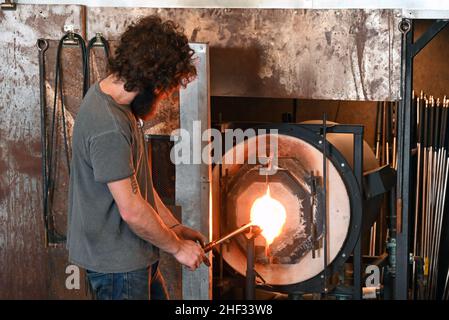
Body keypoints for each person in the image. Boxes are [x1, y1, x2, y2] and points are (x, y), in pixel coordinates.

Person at [67, 15, 209, 300]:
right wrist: (178, 248)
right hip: (118, 266)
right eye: (165, 90)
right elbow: (131, 209)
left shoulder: (117, 103)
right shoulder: (109, 125)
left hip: (135, 255)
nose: (164, 98)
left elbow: (137, 188)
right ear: (152, 82)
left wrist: (173, 228)